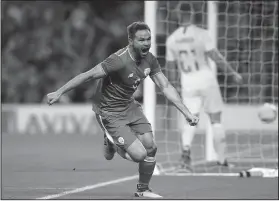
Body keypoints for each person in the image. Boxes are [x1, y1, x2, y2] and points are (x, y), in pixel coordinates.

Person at [47, 21, 199, 198]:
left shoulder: (150, 59)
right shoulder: (117, 61)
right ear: (130, 40)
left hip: (129, 105)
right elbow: (87, 76)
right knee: (140, 155)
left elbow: (165, 87)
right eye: (141, 40)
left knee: (151, 146)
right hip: (109, 112)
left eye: (149, 39)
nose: (147, 43)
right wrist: (59, 92)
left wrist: (187, 113)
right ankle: (111, 141)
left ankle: (143, 190)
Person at [165, 2, 243, 169]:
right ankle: (222, 159)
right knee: (215, 119)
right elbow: (216, 57)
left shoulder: (172, 39)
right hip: (206, 79)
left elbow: (170, 67)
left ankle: (185, 155)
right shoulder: (201, 34)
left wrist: (173, 87)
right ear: (192, 14)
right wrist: (232, 73)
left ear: (178, 15)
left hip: (188, 82)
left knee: (189, 120)